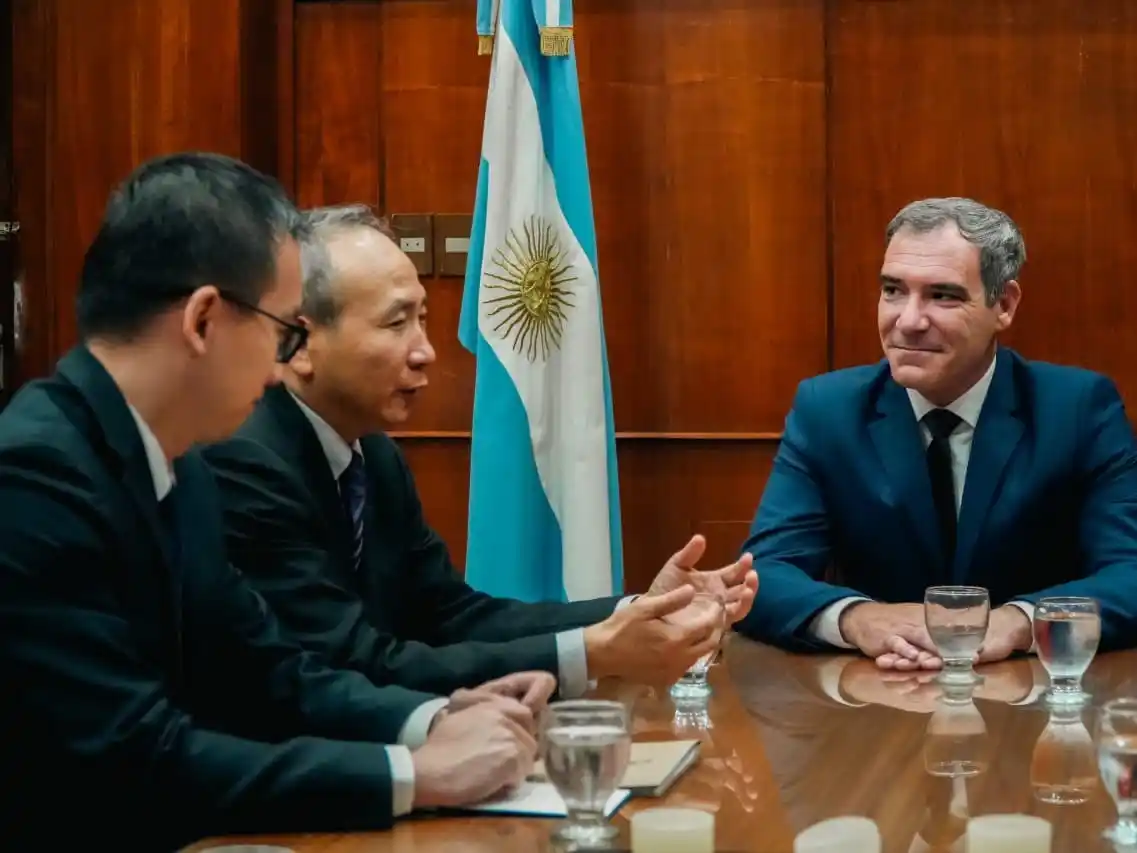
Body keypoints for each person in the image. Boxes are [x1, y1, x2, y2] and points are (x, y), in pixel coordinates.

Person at [0, 153, 558, 849]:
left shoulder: (180, 464)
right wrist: (412, 772)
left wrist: (433, 717)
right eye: (285, 332)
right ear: (204, 319)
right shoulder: (33, 475)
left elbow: (267, 669)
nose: (280, 367)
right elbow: (132, 755)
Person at [201, 203, 758, 697]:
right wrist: (592, 652)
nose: (426, 351)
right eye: (397, 323)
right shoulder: (246, 461)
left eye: (423, 319)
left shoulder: (375, 457)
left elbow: (448, 615)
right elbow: (348, 663)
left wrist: (635, 611)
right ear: (301, 343)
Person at [735, 197, 1137, 667]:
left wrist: (1019, 621)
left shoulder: (1077, 409)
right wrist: (859, 619)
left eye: (942, 295)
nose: (907, 321)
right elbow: (762, 575)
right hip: (877, 701)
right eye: (892, 290)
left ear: (1003, 305)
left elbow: (1130, 573)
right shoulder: (828, 410)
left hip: (1030, 700)